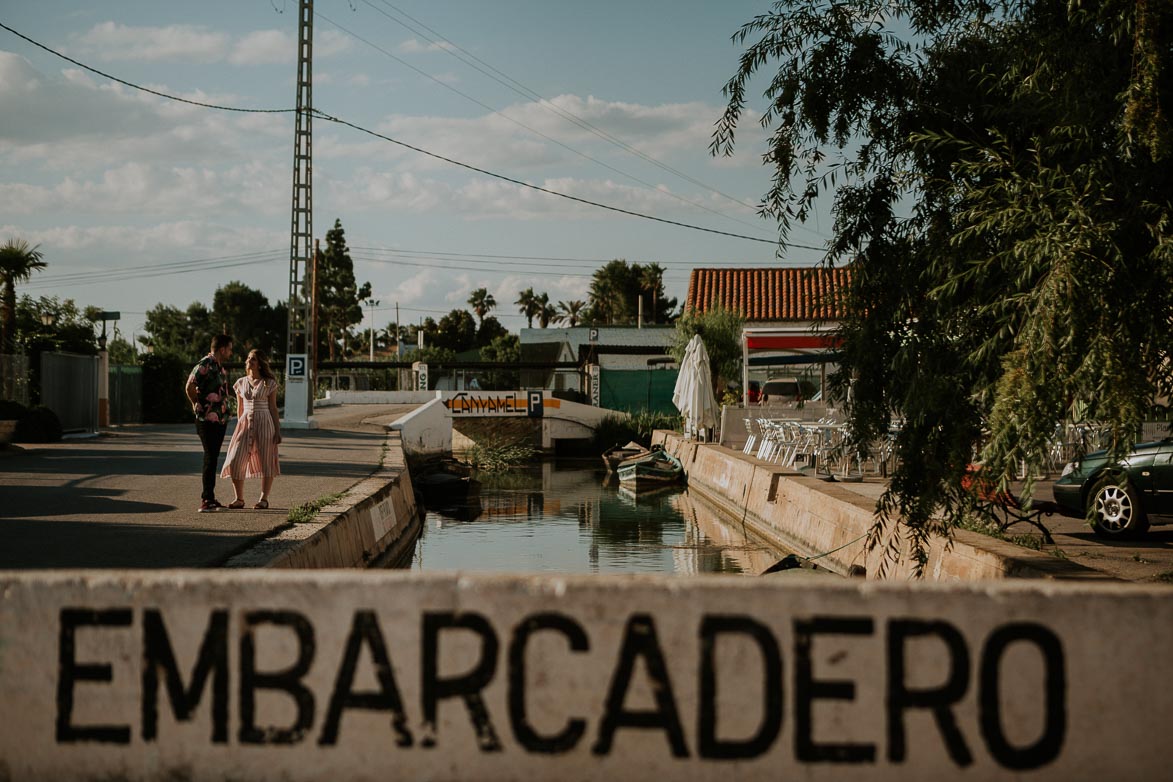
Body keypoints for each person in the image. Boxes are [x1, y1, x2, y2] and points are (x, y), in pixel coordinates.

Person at [220, 349, 282, 509]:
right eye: (248, 358)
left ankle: (264, 499)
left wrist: (277, 430)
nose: (249, 361)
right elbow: (240, 409)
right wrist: (238, 428)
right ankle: (239, 499)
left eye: (253, 359)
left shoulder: (269, 383)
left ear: (260, 364)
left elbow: (273, 408)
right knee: (235, 460)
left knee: (267, 460)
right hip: (245, 424)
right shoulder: (241, 382)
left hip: (265, 422)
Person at [186, 334, 233, 512]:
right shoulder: (205, 364)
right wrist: (194, 403)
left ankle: (210, 497)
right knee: (210, 456)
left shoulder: (220, 368)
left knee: (213, 458)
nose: (231, 352)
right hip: (206, 419)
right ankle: (206, 499)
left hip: (219, 420)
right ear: (222, 349)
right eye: (229, 348)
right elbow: (189, 385)